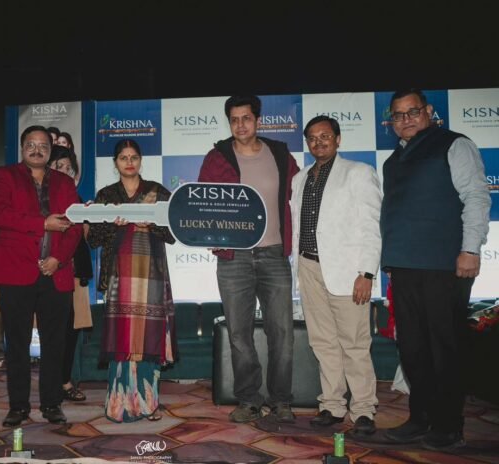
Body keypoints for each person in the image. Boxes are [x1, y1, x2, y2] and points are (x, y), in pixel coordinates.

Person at [380, 89, 491, 450]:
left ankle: (448, 424)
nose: (406, 120)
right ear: (391, 121)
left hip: (445, 265)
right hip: (404, 266)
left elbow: (476, 196)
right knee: (412, 348)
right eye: (398, 115)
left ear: (428, 111)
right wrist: (391, 263)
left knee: (445, 347)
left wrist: (470, 249)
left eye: (413, 112)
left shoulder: (454, 144)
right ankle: (420, 417)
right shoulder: (392, 161)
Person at [198, 95, 299, 423]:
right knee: (239, 334)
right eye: (234, 119)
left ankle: (281, 401)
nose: (240, 125)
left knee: (282, 333)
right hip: (234, 258)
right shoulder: (216, 158)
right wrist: (210, 235)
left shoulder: (280, 154)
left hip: (274, 254)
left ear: (258, 120)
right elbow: (203, 202)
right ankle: (249, 399)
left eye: (246, 118)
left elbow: (299, 195)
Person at [290, 115, 380, 436]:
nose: (319, 142)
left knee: (354, 343)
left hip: (348, 272)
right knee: (323, 341)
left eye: (325, 136)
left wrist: (366, 272)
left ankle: (364, 409)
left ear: (338, 139)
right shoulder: (300, 178)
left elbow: (371, 225)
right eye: (312, 138)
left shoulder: (358, 173)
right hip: (309, 267)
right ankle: (332, 404)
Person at [0, 125, 82, 426]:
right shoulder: (4, 176)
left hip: (56, 273)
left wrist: (58, 259)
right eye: (31, 144)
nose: (37, 150)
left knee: (55, 343)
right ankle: (18, 406)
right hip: (15, 271)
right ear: (22, 147)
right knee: (17, 344)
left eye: (43, 145)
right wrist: (42, 223)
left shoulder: (64, 182)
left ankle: (52, 404)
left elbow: (75, 225)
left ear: (50, 150)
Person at [87, 138, 177, 423]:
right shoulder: (106, 195)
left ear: (140, 160)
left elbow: (173, 234)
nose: (129, 162)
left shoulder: (158, 193)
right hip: (119, 276)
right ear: (115, 163)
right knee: (122, 337)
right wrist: (111, 225)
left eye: (134, 157)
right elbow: (93, 239)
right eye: (123, 157)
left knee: (148, 338)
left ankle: (148, 404)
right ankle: (119, 404)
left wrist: (153, 223)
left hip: (151, 277)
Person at [48, 146, 93, 402]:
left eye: (69, 168)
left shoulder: (79, 200)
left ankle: (65, 382)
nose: (65, 172)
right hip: (49, 272)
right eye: (59, 167)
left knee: (71, 331)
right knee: (51, 331)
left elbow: (88, 241)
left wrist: (88, 219)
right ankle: (49, 385)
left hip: (76, 274)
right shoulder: (41, 198)